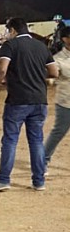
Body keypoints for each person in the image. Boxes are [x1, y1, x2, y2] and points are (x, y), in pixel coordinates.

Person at [0, 17, 58, 192]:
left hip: (17, 100)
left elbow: (2, 69)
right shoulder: (41, 46)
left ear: (13, 30)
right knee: (36, 141)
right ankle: (38, 181)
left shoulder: (10, 46)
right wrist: (37, 77)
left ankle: (4, 180)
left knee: (10, 140)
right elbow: (54, 72)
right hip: (40, 100)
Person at [42, 23, 70, 169]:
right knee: (59, 132)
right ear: (65, 39)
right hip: (66, 101)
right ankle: (44, 160)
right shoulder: (58, 59)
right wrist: (50, 80)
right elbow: (52, 75)